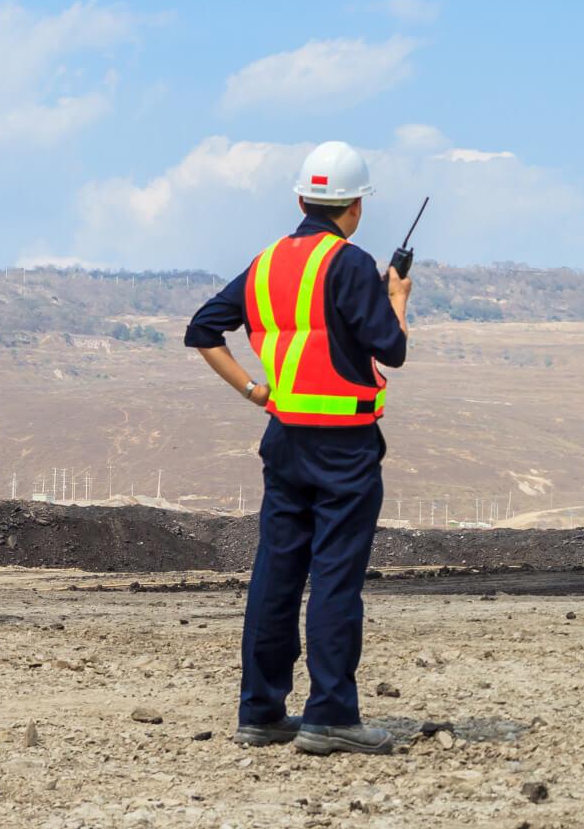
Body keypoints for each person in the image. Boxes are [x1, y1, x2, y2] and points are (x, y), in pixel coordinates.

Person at [184, 140, 411, 755]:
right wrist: (398, 299)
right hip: (344, 449)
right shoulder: (351, 263)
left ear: (302, 198)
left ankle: (260, 712)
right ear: (355, 207)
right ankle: (331, 715)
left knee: (276, 575)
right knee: (335, 577)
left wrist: (255, 392)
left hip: (284, 441)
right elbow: (391, 348)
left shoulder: (263, 265)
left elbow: (202, 329)